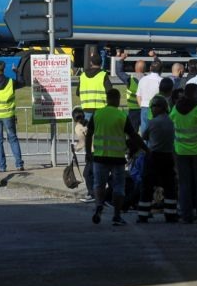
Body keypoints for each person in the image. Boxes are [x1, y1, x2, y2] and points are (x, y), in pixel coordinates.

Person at [85, 88, 147, 226]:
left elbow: (89, 135)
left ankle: (99, 205)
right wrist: (146, 149)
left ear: (107, 99)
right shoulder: (121, 116)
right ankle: (117, 215)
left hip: (100, 157)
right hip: (117, 158)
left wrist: (88, 153)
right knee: (119, 187)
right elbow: (134, 135)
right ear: (118, 99)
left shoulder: (97, 114)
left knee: (99, 184)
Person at [170, 83, 197, 223]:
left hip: (181, 152)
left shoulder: (175, 109)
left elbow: (171, 124)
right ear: (194, 95)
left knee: (184, 185)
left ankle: (186, 215)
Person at [137, 96, 178, 223]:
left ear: (161, 107)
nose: (152, 109)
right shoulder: (171, 122)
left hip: (154, 156)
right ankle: (170, 214)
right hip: (168, 156)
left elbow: (144, 136)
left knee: (147, 186)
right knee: (170, 186)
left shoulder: (152, 122)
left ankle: (143, 214)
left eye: (154, 106)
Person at [115, 53, 145, 132]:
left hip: (133, 110)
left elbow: (119, 72)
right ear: (145, 69)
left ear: (135, 68)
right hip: (145, 109)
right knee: (146, 133)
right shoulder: (148, 79)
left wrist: (121, 59)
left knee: (132, 133)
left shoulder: (130, 79)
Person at [77, 54, 111, 122]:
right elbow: (110, 91)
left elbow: (77, 93)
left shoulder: (82, 75)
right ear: (101, 63)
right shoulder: (103, 75)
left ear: (91, 62)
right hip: (101, 110)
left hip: (86, 109)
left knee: (88, 128)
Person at [72, 106, 94, 203]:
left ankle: (93, 194)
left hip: (92, 152)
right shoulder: (87, 123)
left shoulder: (78, 127)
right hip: (97, 150)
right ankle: (92, 193)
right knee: (92, 173)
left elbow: (82, 142)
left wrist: (75, 148)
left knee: (87, 174)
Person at [136, 60, 163, 134]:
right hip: (156, 109)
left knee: (145, 132)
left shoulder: (143, 79)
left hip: (144, 107)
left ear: (150, 68)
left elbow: (138, 95)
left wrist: (142, 106)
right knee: (156, 133)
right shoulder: (161, 81)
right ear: (161, 70)